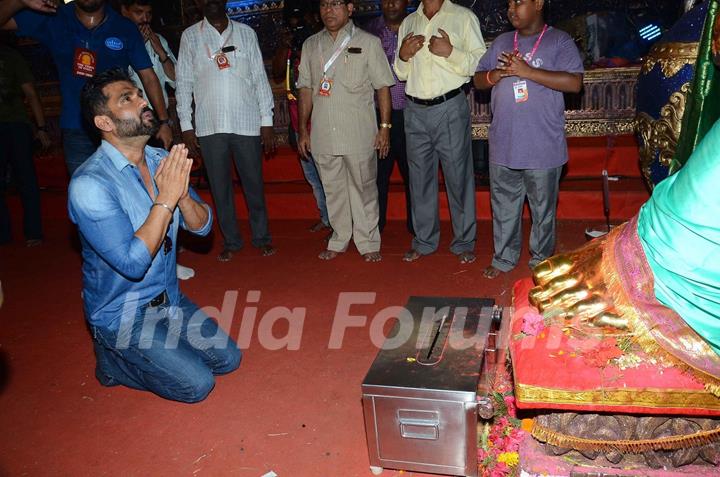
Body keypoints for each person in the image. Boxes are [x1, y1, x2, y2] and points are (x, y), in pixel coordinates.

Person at [69, 68, 240, 402]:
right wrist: (165, 198)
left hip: (169, 300)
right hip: (123, 314)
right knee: (196, 385)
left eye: (139, 93)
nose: (142, 101)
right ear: (104, 123)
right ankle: (112, 363)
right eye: (127, 99)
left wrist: (183, 195)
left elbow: (203, 226)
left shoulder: (161, 159)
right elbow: (132, 263)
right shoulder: (89, 185)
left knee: (228, 359)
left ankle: (158, 343)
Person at [0, 0, 173, 176]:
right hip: (76, 127)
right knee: (85, 189)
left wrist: (164, 122)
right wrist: (19, 1)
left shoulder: (124, 27)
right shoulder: (54, 18)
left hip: (120, 127)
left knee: (127, 187)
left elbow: (148, 76)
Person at [474, 0, 583, 278]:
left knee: (542, 211)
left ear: (538, 4)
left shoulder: (559, 41)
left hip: (542, 146)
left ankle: (541, 263)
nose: (512, 8)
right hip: (504, 143)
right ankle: (503, 259)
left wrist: (528, 72)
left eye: (519, 2)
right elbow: (477, 80)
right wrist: (494, 75)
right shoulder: (500, 42)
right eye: (509, 3)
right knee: (504, 207)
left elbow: (574, 83)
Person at [177, 0, 277, 261]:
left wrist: (266, 121)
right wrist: (187, 126)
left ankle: (262, 237)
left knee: (253, 185)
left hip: (247, 122)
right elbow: (184, 83)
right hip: (209, 125)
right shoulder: (190, 37)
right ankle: (232, 241)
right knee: (220, 189)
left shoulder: (246, 33)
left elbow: (259, 77)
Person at [296, 0, 395, 262]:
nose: (329, 9)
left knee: (364, 188)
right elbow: (305, 88)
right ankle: (339, 238)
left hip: (359, 131)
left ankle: (368, 241)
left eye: (336, 4)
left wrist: (385, 128)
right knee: (332, 188)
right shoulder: (311, 45)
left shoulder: (369, 42)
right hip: (323, 133)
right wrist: (302, 130)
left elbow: (383, 87)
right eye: (324, 4)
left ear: (350, 8)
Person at [394, 0, 485, 264]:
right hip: (414, 109)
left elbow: (481, 65)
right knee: (419, 179)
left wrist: (451, 52)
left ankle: (464, 241)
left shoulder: (463, 17)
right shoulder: (409, 23)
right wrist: (403, 56)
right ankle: (424, 241)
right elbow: (400, 74)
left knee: (459, 177)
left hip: (449, 106)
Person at [120, 0, 194, 280]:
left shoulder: (158, 39)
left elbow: (176, 80)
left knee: (165, 189)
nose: (145, 19)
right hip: (125, 130)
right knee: (135, 195)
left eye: (149, 13)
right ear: (125, 12)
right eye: (138, 12)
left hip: (157, 125)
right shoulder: (118, 40)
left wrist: (160, 50)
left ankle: (170, 260)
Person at [271, 4, 330, 234]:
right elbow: (277, 74)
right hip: (299, 123)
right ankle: (326, 218)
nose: (297, 25)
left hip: (322, 122)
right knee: (314, 178)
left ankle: (339, 222)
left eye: (302, 19)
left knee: (329, 177)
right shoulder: (291, 47)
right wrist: (285, 46)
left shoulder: (319, 43)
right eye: (293, 21)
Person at [365, 0, 413, 236]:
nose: (391, 3)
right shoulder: (369, 31)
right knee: (377, 176)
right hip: (378, 114)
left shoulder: (417, 27)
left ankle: (418, 229)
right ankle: (376, 227)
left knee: (414, 174)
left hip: (412, 113)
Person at [0, 33, 48, 247]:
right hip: (16, 125)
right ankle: (31, 234)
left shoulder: (11, 56)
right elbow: (30, 92)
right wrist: (40, 127)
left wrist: (41, 127)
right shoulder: (11, 55)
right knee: (26, 180)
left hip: (16, 124)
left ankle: (29, 233)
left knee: (26, 180)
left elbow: (30, 92)